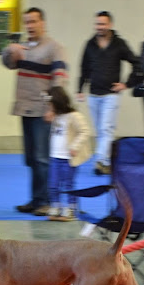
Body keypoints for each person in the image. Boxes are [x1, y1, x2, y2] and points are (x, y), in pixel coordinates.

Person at [1, 7, 68, 216]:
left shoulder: (54, 48)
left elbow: (60, 79)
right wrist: (9, 50)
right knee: (31, 159)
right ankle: (36, 199)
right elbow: (7, 64)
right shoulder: (22, 48)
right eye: (27, 22)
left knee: (42, 159)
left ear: (43, 23)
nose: (30, 26)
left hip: (43, 111)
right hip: (25, 109)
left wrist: (53, 107)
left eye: (33, 21)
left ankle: (45, 201)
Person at [77, 11, 140, 175]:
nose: (100, 27)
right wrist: (80, 89)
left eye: (103, 24)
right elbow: (84, 68)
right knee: (100, 130)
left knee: (106, 129)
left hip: (111, 95)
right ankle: (105, 162)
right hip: (93, 94)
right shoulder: (90, 44)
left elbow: (137, 63)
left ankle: (100, 161)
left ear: (110, 25)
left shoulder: (119, 44)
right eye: (97, 24)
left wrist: (127, 84)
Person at [43, 86, 92, 221]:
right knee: (53, 184)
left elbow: (85, 131)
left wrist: (75, 146)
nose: (49, 107)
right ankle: (56, 205)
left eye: (51, 104)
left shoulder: (74, 116)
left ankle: (70, 208)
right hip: (55, 157)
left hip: (68, 158)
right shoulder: (56, 116)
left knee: (68, 184)